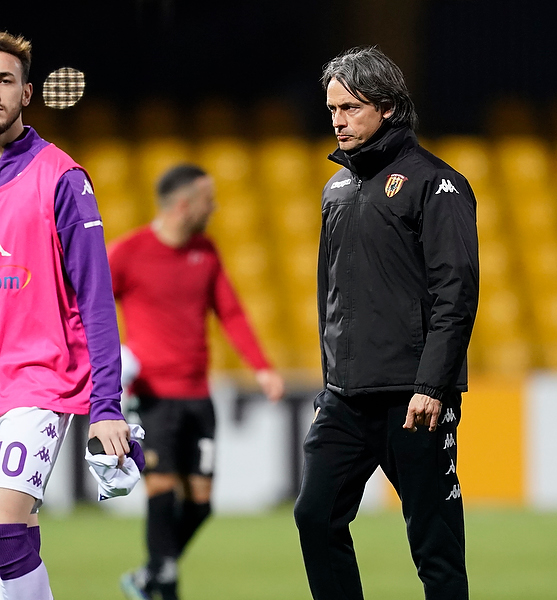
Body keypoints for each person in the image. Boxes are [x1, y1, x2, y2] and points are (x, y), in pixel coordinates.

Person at [293, 47, 479, 600]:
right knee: (314, 516)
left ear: (388, 107)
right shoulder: (335, 189)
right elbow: (331, 295)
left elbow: (456, 293)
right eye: (332, 109)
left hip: (413, 399)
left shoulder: (437, 183)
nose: (338, 120)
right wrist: (330, 384)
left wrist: (433, 385)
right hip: (346, 400)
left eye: (350, 108)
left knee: (435, 547)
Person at [110, 164, 284, 600]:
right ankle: (164, 588)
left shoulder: (205, 251)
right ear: (184, 205)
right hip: (151, 397)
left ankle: (148, 576)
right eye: (209, 200)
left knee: (201, 504)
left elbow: (230, 312)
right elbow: (88, 307)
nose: (215, 207)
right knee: (163, 492)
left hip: (198, 396)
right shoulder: (129, 252)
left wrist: (261, 367)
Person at [0, 31, 131, 599]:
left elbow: (96, 298)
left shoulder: (61, 177)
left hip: (38, 380)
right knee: (16, 537)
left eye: (5, 80)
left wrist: (107, 406)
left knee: (4, 531)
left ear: (26, 93)